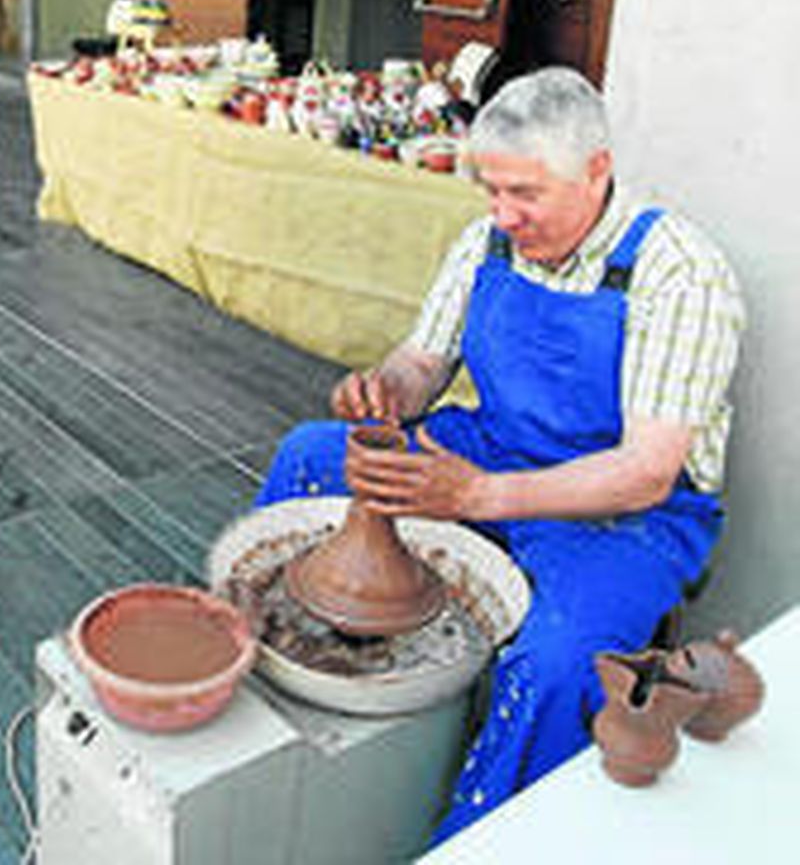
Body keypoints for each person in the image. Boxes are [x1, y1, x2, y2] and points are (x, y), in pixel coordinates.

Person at [252, 66, 744, 843]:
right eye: (491, 190)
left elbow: (648, 470)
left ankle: (481, 837)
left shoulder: (678, 271)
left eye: (526, 194)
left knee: (557, 660)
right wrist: (383, 388)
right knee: (312, 455)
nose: (503, 214)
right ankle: (282, 683)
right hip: (494, 447)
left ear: (597, 171)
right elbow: (422, 364)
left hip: (622, 511)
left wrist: (478, 496)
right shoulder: (486, 241)